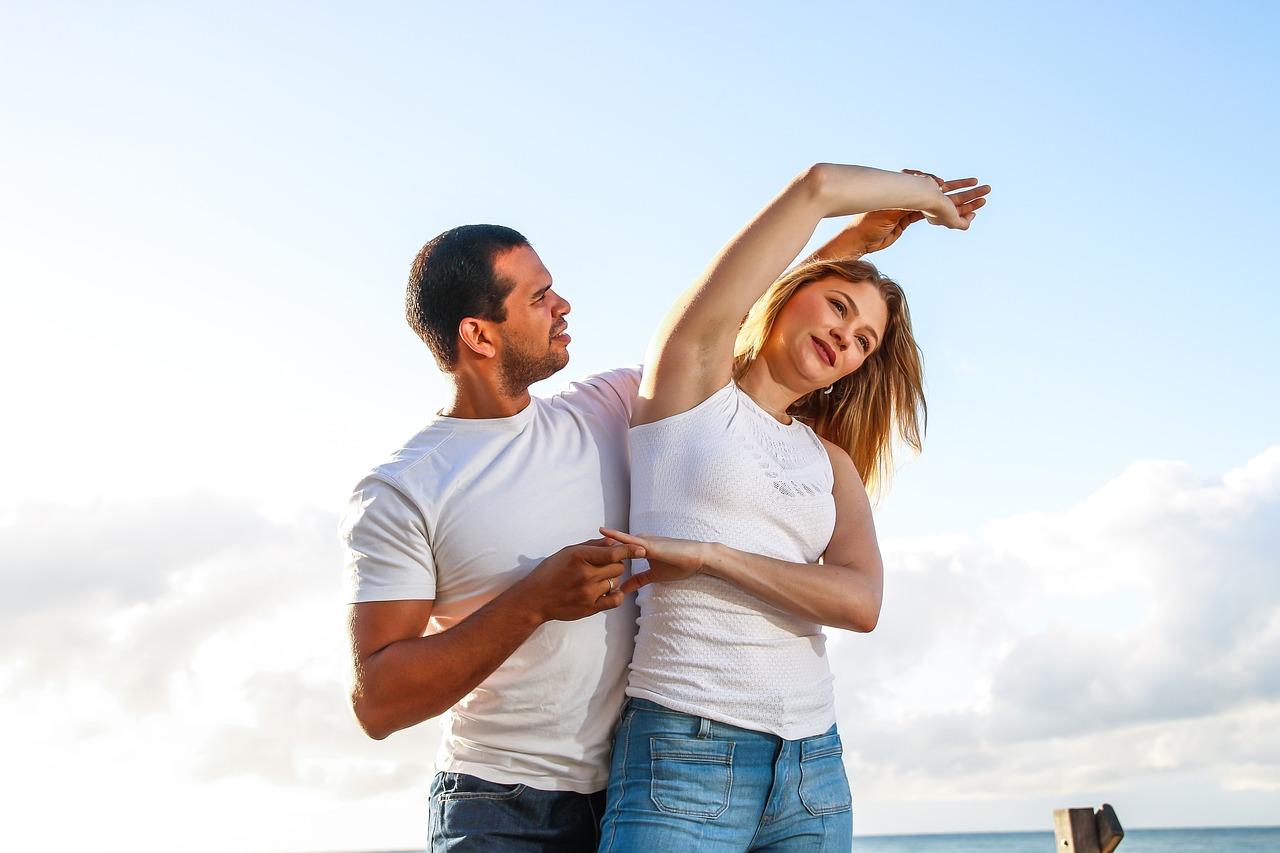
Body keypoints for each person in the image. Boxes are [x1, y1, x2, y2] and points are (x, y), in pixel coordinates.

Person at [338, 192, 961, 851]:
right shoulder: (405, 488)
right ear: (480, 335)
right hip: (503, 805)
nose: (563, 304)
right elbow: (379, 702)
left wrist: (849, 249)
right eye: (540, 297)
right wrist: (532, 602)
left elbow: (736, 327)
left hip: (654, 773)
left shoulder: (611, 404)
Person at [595, 164, 990, 851]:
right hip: (685, 747)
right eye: (838, 307)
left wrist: (713, 557)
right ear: (789, 292)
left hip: (813, 766)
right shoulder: (689, 386)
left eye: (864, 340)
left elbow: (861, 602)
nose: (846, 338)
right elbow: (814, 188)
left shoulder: (830, 463)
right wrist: (917, 200)